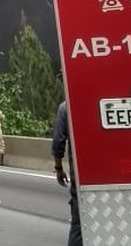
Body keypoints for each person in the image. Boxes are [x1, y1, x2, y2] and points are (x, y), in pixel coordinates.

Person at [52, 101, 83, 246]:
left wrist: (58, 168)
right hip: (110, 173)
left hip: (81, 176)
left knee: (79, 226)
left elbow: (59, 141)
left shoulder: (67, 107)